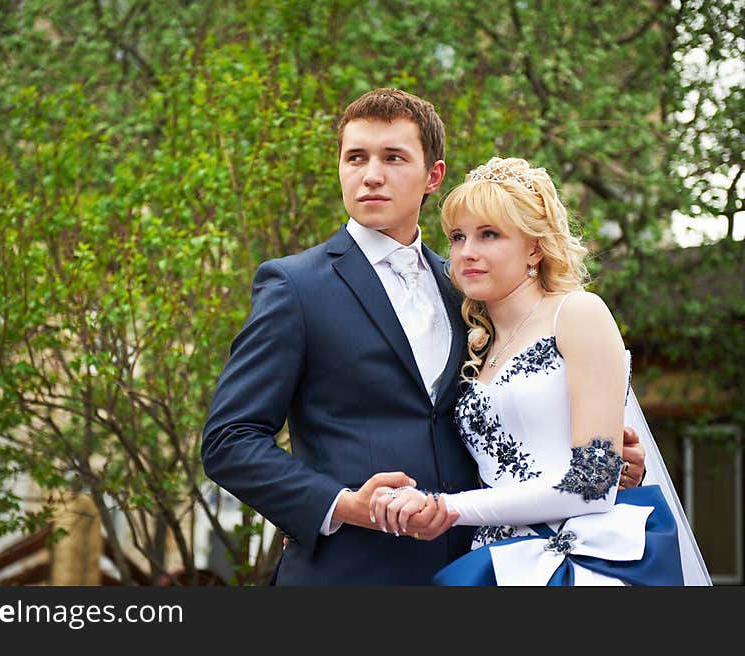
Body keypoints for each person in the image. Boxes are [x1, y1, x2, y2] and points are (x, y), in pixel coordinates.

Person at [201, 89, 645, 585]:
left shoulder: (469, 288)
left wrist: (599, 457)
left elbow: (517, 410)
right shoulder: (294, 286)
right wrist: (341, 506)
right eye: (356, 158)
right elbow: (229, 440)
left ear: (433, 175)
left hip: (478, 568)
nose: (371, 175)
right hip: (347, 571)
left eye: (393, 158)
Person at [369, 156, 711, 586]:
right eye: (457, 237)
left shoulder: (578, 313)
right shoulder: (473, 343)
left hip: (586, 558)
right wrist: (320, 507)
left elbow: (592, 482)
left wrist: (450, 508)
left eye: (489, 234)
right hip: (494, 561)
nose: (466, 252)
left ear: (534, 246)